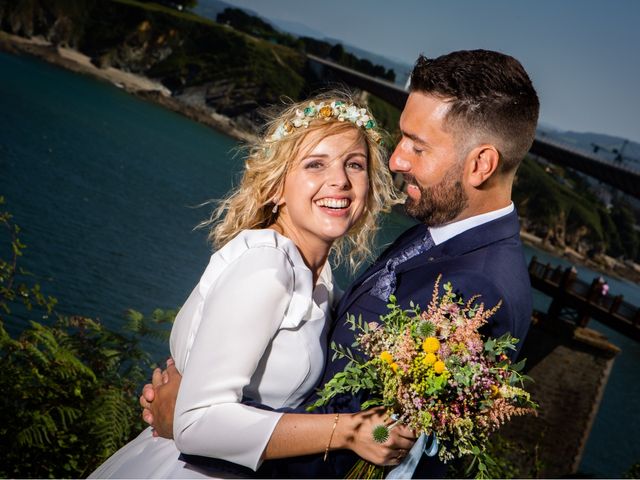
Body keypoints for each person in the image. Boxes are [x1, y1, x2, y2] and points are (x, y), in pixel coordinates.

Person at [142, 49, 540, 478]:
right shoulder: (437, 230)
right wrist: (196, 418)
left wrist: (188, 425)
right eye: (401, 138)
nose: (395, 160)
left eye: (418, 147)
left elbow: (383, 451)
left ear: (481, 164)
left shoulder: (482, 289)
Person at [88, 92, 417, 479]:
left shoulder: (318, 281)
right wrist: (348, 432)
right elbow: (196, 423)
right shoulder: (267, 267)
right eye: (315, 164)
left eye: (355, 165)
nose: (340, 181)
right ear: (277, 187)